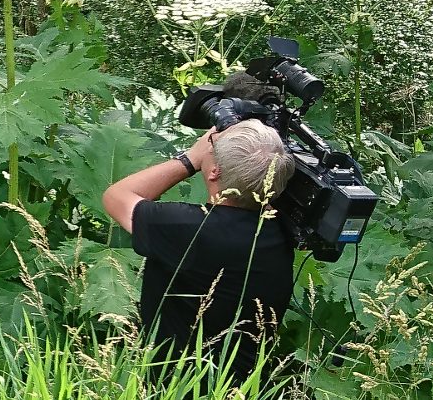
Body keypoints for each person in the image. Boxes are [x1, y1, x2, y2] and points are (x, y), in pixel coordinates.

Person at [102, 119, 296, 390]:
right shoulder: (281, 231)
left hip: (175, 387)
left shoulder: (187, 228)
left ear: (215, 171)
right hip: (242, 388)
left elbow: (116, 196)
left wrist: (191, 159)